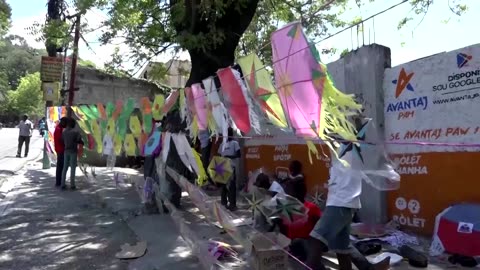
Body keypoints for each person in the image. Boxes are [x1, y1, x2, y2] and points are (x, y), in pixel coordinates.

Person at [306, 117, 390, 270]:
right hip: (343, 203)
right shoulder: (339, 149)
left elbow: (359, 130)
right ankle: (368, 268)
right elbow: (324, 132)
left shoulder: (353, 148)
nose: (332, 133)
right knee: (341, 249)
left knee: (316, 239)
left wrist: (354, 122)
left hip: (341, 203)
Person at [218, 127, 241, 211]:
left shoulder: (235, 143)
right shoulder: (222, 144)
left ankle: (232, 204)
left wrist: (229, 156)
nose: (227, 135)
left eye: (229, 133)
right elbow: (219, 155)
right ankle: (223, 203)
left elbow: (239, 155)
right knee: (223, 187)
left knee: (231, 187)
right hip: (223, 168)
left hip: (231, 168)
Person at [61, 118, 84, 190]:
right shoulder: (75, 132)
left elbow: (62, 140)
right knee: (73, 168)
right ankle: (72, 185)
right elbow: (79, 140)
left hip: (66, 151)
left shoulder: (64, 132)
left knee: (65, 168)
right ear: (72, 124)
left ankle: (63, 184)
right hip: (73, 151)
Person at [54, 117, 68, 187]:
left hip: (60, 149)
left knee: (61, 166)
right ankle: (59, 182)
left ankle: (59, 181)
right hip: (60, 150)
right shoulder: (58, 129)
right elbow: (61, 140)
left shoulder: (59, 128)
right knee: (61, 166)